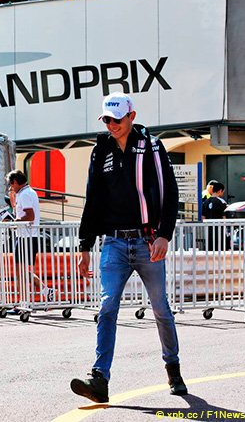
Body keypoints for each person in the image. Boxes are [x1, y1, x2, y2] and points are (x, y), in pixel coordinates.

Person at [71, 92, 187, 403]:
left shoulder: (152, 146)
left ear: (131, 116)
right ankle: (99, 378)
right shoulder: (101, 149)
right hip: (113, 243)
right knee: (107, 306)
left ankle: (173, 369)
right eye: (106, 120)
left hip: (148, 242)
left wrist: (164, 235)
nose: (111, 125)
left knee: (161, 308)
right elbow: (92, 199)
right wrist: (85, 245)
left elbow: (170, 192)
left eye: (117, 119)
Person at [6, 170, 50, 301]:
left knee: (20, 272)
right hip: (28, 236)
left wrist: (16, 221)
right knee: (22, 271)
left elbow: (30, 216)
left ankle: (24, 302)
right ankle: (44, 291)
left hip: (26, 236)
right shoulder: (27, 192)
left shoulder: (24, 194)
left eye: (11, 184)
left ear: (15, 182)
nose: (10, 188)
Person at [202, 182, 228, 250]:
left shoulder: (206, 202)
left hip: (208, 231)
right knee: (220, 250)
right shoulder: (222, 202)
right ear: (220, 191)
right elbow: (224, 217)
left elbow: (203, 217)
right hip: (219, 231)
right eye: (223, 192)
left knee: (210, 251)